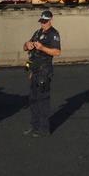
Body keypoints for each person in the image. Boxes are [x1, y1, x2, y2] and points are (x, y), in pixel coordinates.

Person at [23, 9, 61, 137]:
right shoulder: (37, 32)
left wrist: (42, 48)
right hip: (34, 69)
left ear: (50, 20)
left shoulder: (53, 34)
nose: (43, 24)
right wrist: (27, 45)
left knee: (43, 99)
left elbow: (57, 52)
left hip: (44, 70)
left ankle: (44, 129)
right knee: (33, 99)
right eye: (41, 21)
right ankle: (34, 126)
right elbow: (25, 47)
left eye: (45, 21)